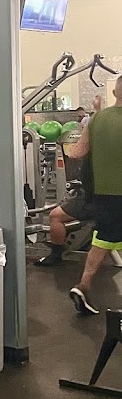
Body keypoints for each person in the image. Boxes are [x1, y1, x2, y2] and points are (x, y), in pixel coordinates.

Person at [66, 79, 122, 314]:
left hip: (104, 195)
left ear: (114, 91)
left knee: (102, 240)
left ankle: (83, 286)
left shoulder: (97, 119)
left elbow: (76, 152)